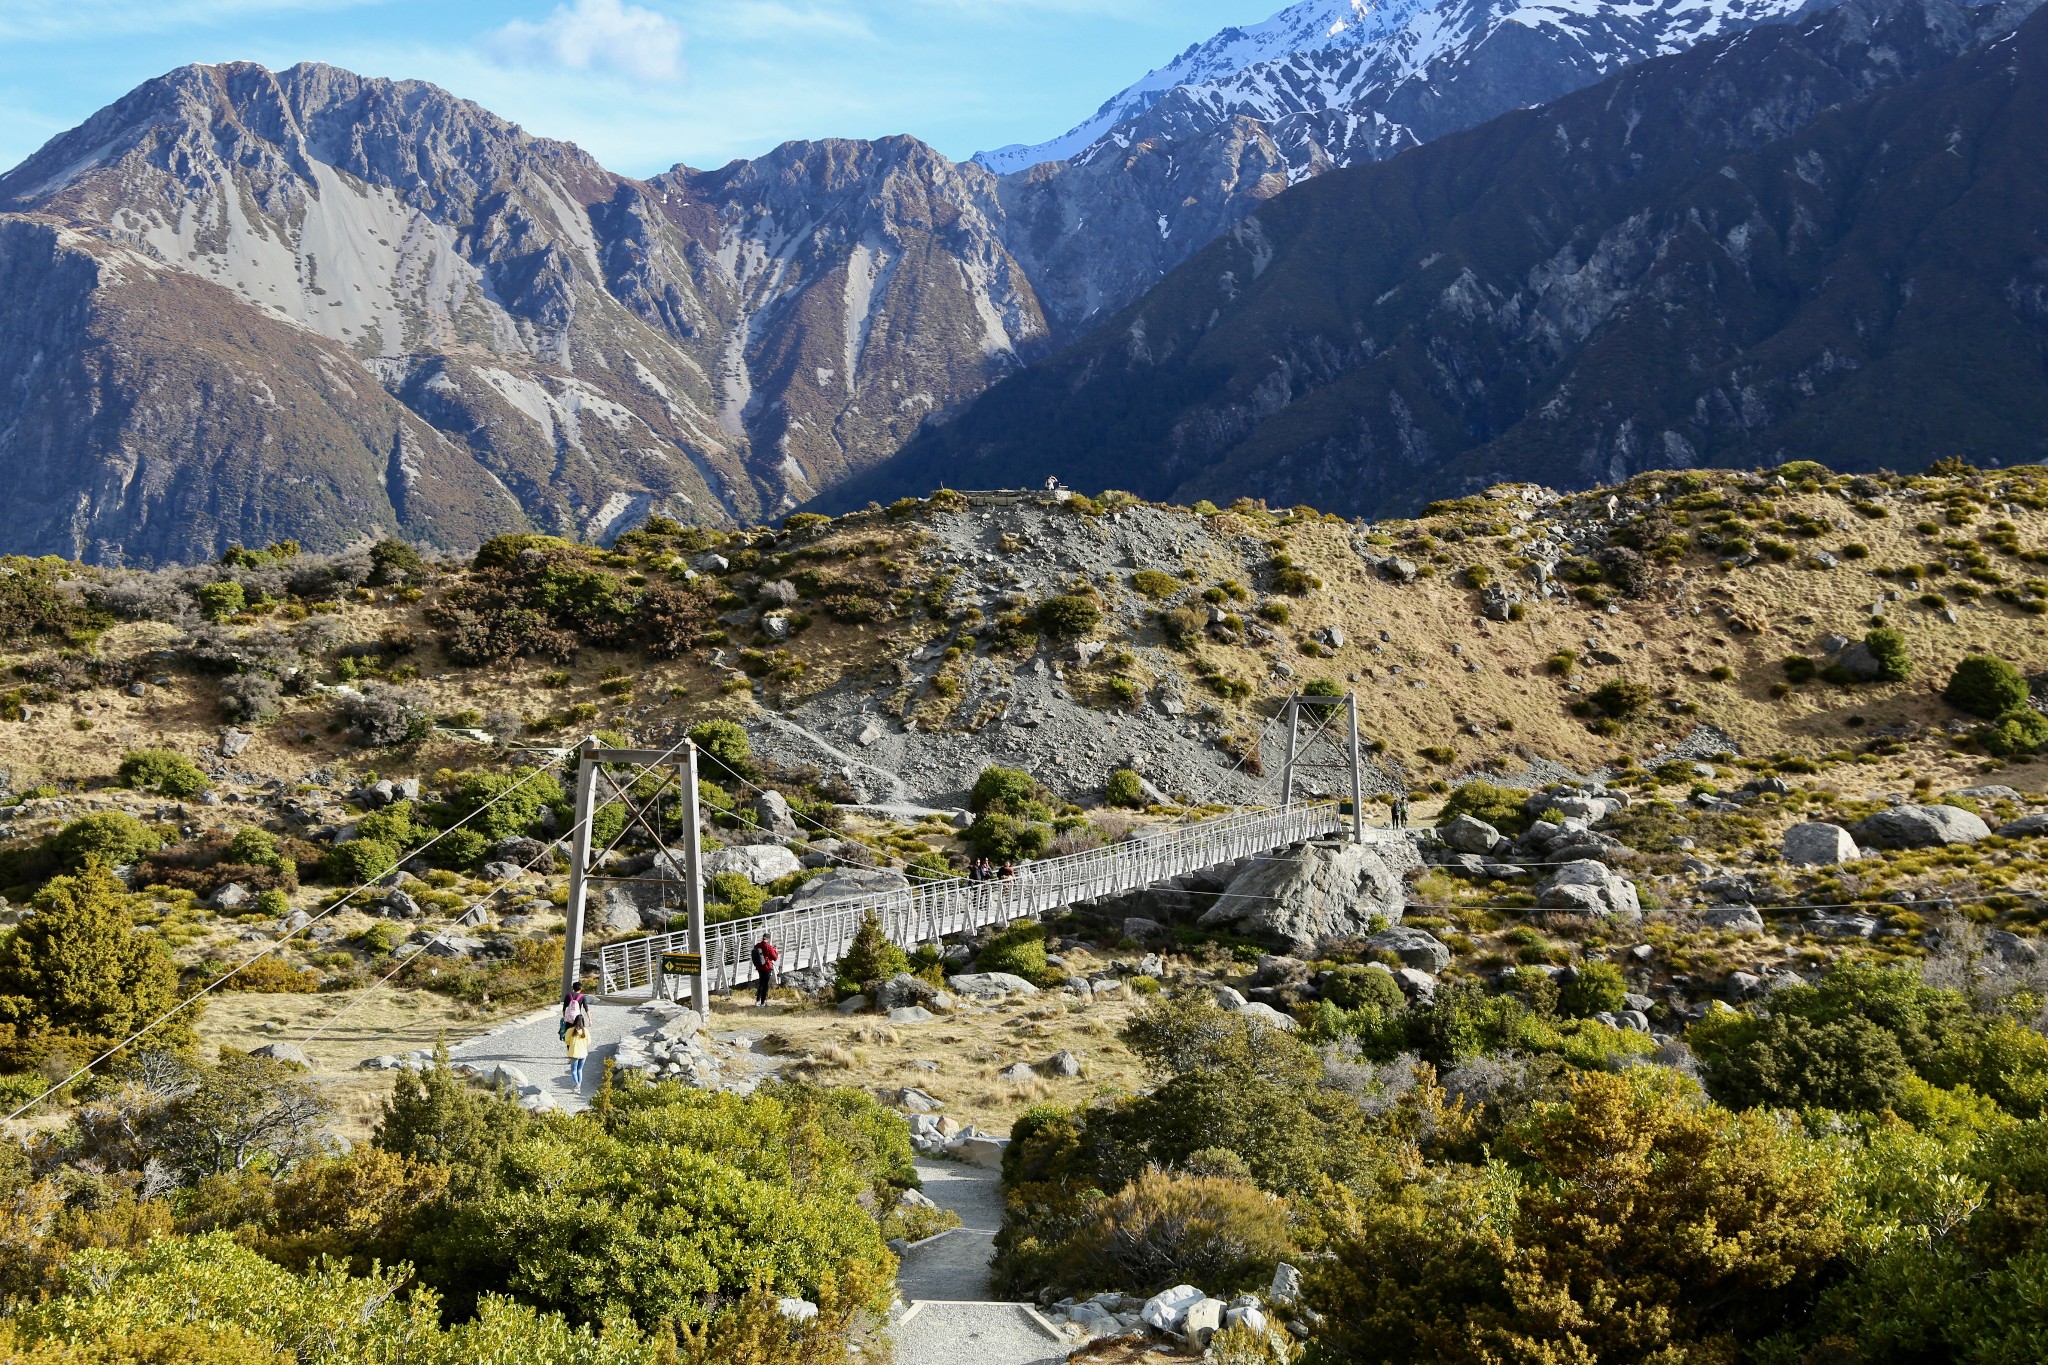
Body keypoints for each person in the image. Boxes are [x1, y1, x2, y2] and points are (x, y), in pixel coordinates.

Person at [751, 932, 780, 1007]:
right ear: (768, 939)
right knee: (765, 984)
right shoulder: (769, 947)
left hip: (759, 967)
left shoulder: (757, 945)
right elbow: (775, 958)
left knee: (761, 983)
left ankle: (758, 1001)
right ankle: (763, 1002)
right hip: (767, 967)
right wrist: (776, 951)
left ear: (763, 938)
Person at [565, 1017, 590, 1087]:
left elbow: (567, 1041)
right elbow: (589, 1042)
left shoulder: (570, 1030)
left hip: (574, 1053)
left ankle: (576, 1084)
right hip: (583, 1053)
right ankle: (579, 1085)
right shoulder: (585, 1031)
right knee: (580, 1070)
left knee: (573, 1071)